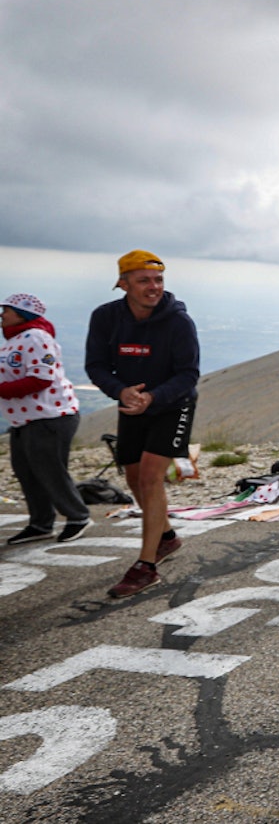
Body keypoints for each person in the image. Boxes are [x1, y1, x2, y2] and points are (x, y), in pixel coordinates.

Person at [86, 251, 199, 598]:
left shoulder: (179, 322)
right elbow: (96, 365)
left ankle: (145, 567)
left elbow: (189, 374)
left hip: (173, 404)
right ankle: (166, 537)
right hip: (132, 404)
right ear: (123, 284)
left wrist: (153, 397)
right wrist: (121, 391)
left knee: (150, 478)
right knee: (134, 478)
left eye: (158, 280)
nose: (154, 287)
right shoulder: (105, 317)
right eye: (144, 280)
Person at [1, 293, 93, 544]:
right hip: (25, 419)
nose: (2, 314)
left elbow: (41, 378)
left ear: (22, 314)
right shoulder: (15, 339)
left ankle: (78, 517)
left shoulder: (37, 337)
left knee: (50, 470)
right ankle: (41, 523)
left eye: (6, 310)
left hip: (49, 416)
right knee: (26, 471)